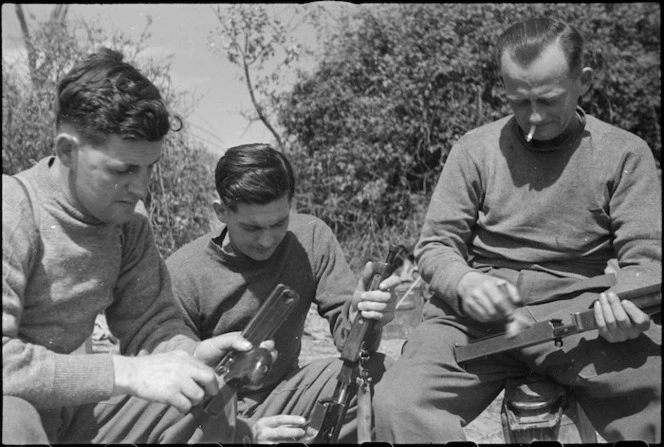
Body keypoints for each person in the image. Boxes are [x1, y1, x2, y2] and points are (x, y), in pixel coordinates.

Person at [373, 17, 661, 443]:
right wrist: (465, 280)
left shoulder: (624, 153)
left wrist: (625, 303)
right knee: (398, 404)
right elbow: (436, 245)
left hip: (583, 321)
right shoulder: (474, 149)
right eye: (518, 101)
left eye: (548, 99)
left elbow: (648, 258)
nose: (533, 118)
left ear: (583, 81)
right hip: (475, 322)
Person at [2, 47, 279, 444]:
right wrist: (126, 373)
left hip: (70, 412)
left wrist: (192, 356)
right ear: (67, 151)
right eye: (123, 169)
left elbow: (150, 323)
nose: (141, 187)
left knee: (206, 400)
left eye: (150, 167)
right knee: (10, 419)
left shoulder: (127, 221)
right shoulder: (12, 210)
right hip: (18, 413)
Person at [166, 143, 402, 443]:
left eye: (279, 223)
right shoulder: (183, 273)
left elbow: (354, 350)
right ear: (221, 212)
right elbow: (171, 394)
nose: (267, 240)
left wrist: (364, 317)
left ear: (291, 204)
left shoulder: (311, 239)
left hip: (287, 396)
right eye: (251, 228)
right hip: (213, 414)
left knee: (382, 377)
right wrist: (240, 433)